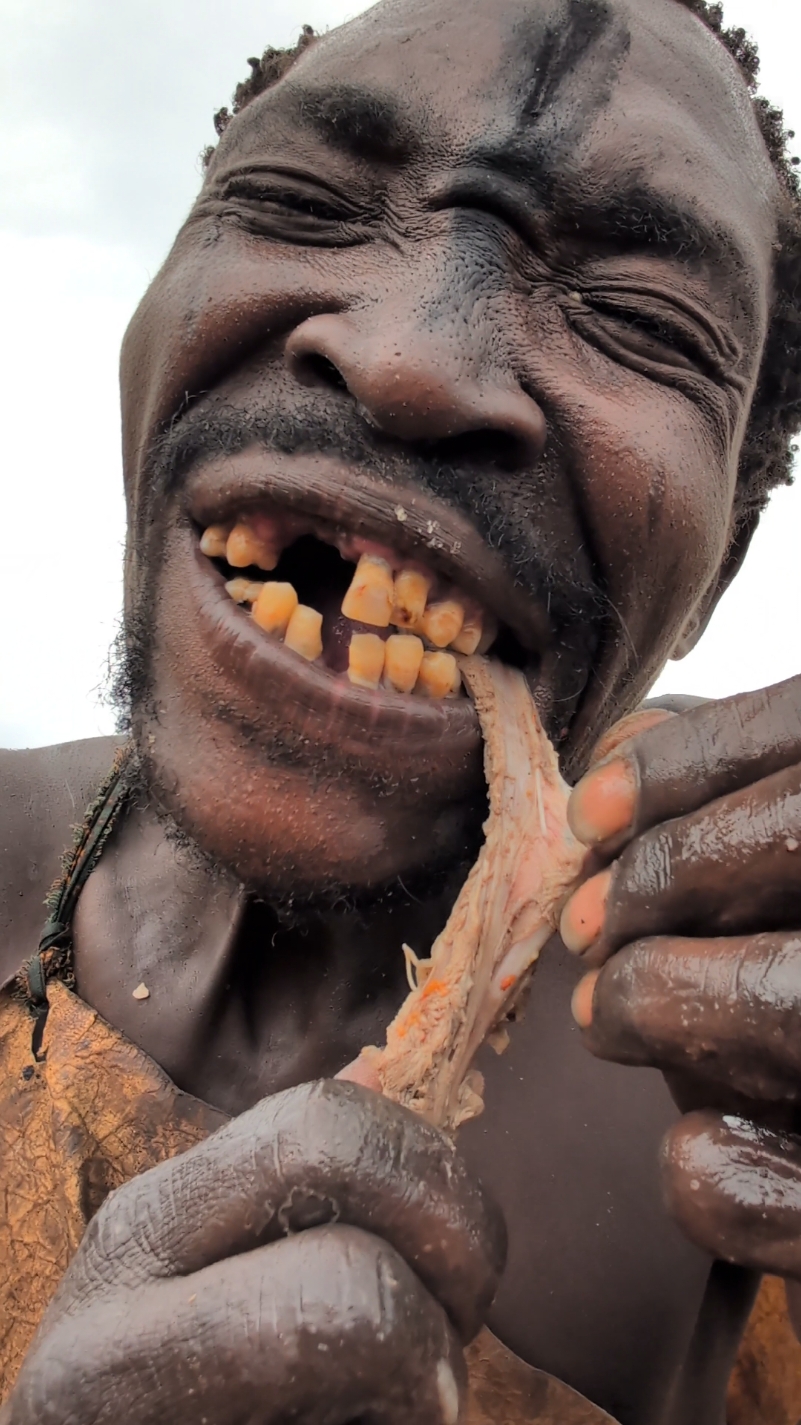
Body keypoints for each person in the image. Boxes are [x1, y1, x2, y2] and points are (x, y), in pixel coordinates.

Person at [2, 0, 801, 1420]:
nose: (411, 361)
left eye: (635, 319)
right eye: (299, 202)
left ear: (717, 564)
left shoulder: (743, 1061)